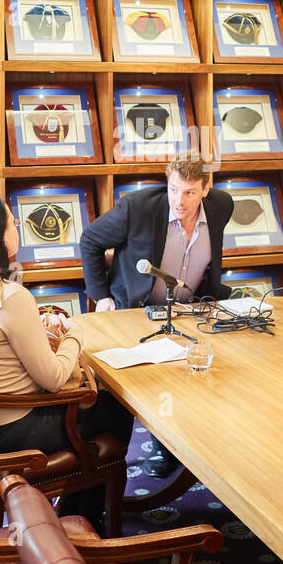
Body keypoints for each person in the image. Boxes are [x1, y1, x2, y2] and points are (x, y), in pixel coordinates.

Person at [0, 193, 132, 528]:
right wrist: (73, 333)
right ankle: (87, 518)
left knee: (101, 407)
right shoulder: (11, 297)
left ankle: (75, 510)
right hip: (11, 432)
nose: (16, 225)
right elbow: (54, 379)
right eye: (12, 221)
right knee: (116, 406)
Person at [78, 151, 233, 476]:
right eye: (174, 189)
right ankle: (151, 450)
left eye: (189, 192)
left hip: (192, 309)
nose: (179, 200)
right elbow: (90, 239)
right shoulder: (137, 207)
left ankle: (200, 442)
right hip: (136, 310)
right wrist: (101, 296)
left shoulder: (222, 206)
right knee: (145, 382)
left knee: (213, 371)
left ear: (205, 189)